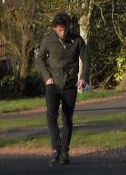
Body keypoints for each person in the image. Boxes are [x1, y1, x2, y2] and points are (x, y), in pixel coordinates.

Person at [35, 12, 90, 166]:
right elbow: (39, 59)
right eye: (60, 30)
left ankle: (65, 151)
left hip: (70, 85)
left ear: (69, 27)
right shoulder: (48, 40)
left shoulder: (77, 40)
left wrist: (83, 77)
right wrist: (47, 77)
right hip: (52, 85)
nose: (63, 33)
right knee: (51, 117)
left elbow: (86, 59)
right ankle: (56, 149)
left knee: (67, 118)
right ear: (54, 28)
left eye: (65, 29)